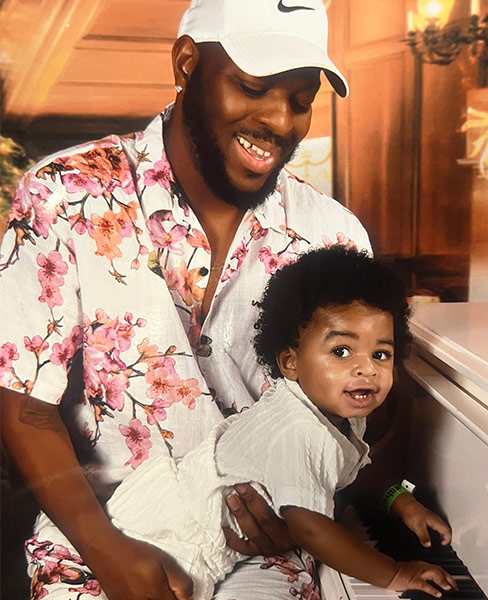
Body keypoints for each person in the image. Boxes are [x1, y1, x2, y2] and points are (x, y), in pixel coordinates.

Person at [0, 1, 451, 598]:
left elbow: (358, 422)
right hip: (95, 537)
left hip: (272, 554)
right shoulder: (64, 194)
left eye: (301, 99)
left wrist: (346, 501)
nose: (281, 121)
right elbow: (23, 399)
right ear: (187, 62)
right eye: (255, 87)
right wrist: (108, 551)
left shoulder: (335, 236)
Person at [105, 247, 458, 600]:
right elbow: (311, 530)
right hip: (178, 534)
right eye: (341, 351)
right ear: (290, 362)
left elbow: (350, 470)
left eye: (381, 354)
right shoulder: (301, 429)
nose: (367, 368)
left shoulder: (335, 410)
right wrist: (394, 572)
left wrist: (401, 501)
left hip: (178, 510)